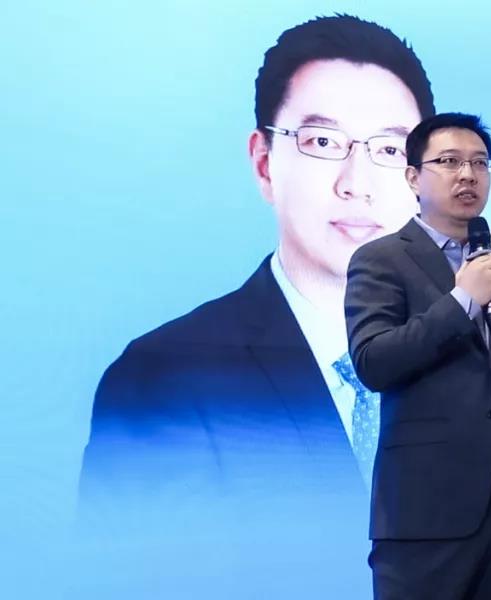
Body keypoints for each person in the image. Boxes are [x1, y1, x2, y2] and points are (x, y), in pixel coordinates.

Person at [76, 14, 434, 598]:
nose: (358, 182)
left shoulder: (464, 360)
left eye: (391, 149)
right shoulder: (162, 380)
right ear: (265, 163)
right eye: (323, 142)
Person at [344, 112, 491, 599]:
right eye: (449, 162)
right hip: (423, 506)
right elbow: (374, 362)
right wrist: (462, 300)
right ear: (413, 177)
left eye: (480, 163)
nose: (468, 175)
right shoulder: (381, 259)